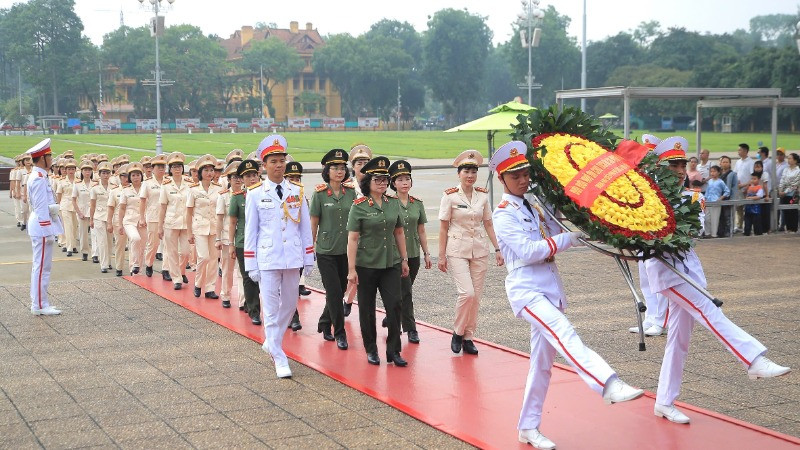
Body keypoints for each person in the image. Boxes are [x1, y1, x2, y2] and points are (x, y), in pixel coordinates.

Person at [489, 141, 644, 449]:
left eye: (525, 173)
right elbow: (529, 251)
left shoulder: (535, 204)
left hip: (548, 288)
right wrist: (568, 239)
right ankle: (607, 383)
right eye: (514, 175)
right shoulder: (503, 213)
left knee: (541, 364)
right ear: (501, 179)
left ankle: (528, 427)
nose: (522, 179)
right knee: (564, 332)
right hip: (526, 289)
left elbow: (559, 220)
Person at [645, 136, 790, 425]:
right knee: (709, 311)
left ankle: (664, 401)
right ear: (659, 169)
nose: (677, 170)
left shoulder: (692, 198)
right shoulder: (647, 201)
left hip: (689, 272)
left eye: (681, 164)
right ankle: (752, 359)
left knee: (678, 340)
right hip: (667, 274)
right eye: (671, 165)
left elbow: (693, 232)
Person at [244, 134, 315, 379]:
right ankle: (279, 355)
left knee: (290, 302)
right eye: (273, 161)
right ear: (264, 165)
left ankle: (271, 341)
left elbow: (304, 226)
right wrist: (250, 263)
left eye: (281, 160)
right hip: (268, 257)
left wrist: (309, 257)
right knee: (272, 308)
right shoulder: (254, 193)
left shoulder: (296, 190)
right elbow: (250, 231)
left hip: (292, 256)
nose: (278, 165)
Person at [346, 156, 410, 366]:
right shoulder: (359, 206)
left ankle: (394, 350)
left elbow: (399, 232)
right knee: (366, 308)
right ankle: (371, 349)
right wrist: (352, 269)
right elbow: (353, 238)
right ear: (368, 182)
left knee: (395, 305)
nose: (382, 183)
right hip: (366, 264)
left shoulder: (393, 204)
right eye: (378, 180)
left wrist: (404, 259)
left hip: (390, 263)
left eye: (385, 179)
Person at [438, 150, 503, 355]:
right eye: (466, 171)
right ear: (459, 173)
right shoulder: (449, 196)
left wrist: (498, 248)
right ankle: (457, 332)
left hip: (480, 249)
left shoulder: (482, 195)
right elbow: (443, 227)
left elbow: (489, 223)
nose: (470, 175)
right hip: (457, 249)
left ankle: (468, 337)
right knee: (467, 293)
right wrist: (440, 255)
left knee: (476, 297)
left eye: (474, 171)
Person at [310, 149, 356, 349]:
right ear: (327, 171)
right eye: (335, 168)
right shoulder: (319, 194)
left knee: (342, 289)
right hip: (326, 250)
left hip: (346, 250)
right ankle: (340, 332)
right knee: (334, 291)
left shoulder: (351, 193)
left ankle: (323, 320)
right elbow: (313, 222)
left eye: (342, 168)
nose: (339, 171)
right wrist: (309, 248)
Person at [388, 159, 432, 344]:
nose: (405, 183)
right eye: (400, 180)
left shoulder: (417, 203)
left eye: (407, 179)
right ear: (393, 183)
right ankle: (410, 328)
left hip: (413, 253)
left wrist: (427, 253)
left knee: (403, 291)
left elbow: (421, 229)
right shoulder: (389, 203)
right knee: (405, 292)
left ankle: (394, 319)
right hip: (396, 254)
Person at [25, 139, 65, 316]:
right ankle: (40, 305)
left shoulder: (39, 175)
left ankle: (40, 302)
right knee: (41, 268)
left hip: (41, 226)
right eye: (49, 156)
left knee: (41, 267)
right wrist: (48, 231)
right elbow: (41, 208)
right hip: (41, 227)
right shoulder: (39, 178)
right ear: (42, 159)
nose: (52, 159)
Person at [229, 159, 263, 325]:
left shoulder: (266, 193)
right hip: (243, 243)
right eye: (248, 176)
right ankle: (254, 311)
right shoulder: (237, 198)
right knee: (249, 277)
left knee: (267, 276)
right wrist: (231, 244)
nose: (252, 179)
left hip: (263, 241)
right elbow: (232, 222)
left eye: (254, 175)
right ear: (242, 179)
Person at [187, 154, 224, 299]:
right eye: (206, 170)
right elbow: (188, 212)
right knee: (203, 257)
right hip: (200, 227)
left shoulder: (219, 188)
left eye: (211, 170)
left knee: (214, 259)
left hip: (214, 227)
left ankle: (210, 288)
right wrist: (189, 232)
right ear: (200, 172)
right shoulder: (193, 190)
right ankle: (198, 283)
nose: (209, 173)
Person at [159, 152, 192, 289]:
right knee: (171, 252)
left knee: (185, 252)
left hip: (185, 223)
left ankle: (181, 271)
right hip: (171, 222)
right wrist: (160, 226)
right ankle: (176, 279)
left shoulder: (190, 184)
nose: (177, 169)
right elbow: (162, 207)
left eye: (179, 166)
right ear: (170, 169)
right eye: (174, 167)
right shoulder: (166, 185)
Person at [284, 160, 309, 331]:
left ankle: (292, 315)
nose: (295, 180)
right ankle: (289, 315)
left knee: (292, 286)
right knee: (280, 288)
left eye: (297, 177)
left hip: (296, 249)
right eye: (291, 177)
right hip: (278, 250)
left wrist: (308, 252)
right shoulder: (272, 195)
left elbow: (307, 228)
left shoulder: (302, 198)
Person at [215, 161, 240, 308]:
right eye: (234, 177)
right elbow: (219, 219)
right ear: (229, 179)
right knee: (227, 270)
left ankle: (244, 301)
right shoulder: (223, 196)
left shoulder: (248, 194)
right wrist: (218, 238)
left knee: (244, 272)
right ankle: (225, 295)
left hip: (243, 238)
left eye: (239, 177)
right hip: (226, 238)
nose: (237, 179)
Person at [138, 154, 167, 277]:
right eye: (158, 166)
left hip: (168, 217)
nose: (161, 169)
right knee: (153, 244)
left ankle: (166, 269)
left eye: (163, 166)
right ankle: (149, 263)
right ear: (153, 168)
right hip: (153, 216)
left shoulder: (168, 181)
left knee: (168, 245)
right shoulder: (147, 183)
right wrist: (141, 217)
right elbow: (143, 201)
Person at [117, 162, 147, 275]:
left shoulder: (146, 188)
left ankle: (136, 271)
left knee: (142, 246)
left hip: (143, 221)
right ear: (129, 177)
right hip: (129, 220)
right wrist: (120, 224)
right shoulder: (125, 190)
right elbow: (122, 209)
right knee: (135, 239)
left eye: (138, 175)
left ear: (141, 176)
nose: (136, 177)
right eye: (133, 175)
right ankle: (135, 263)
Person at [89, 162, 114, 273]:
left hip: (111, 217)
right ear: (99, 174)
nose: (105, 175)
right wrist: (91, 219)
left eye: (108, 173)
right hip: (98, 216)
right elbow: (92, 205)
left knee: (109, 241)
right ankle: (103, 264)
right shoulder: (95, 188)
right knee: (102, 241)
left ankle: (108, 262)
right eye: (103, 173)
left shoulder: (114, 187)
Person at [107, 164, 129, 276]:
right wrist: (109, 223)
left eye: (127, 176)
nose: (126, 178)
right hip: (118, 222)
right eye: (124, 176)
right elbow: (110, 209)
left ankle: (134, 268)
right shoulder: (114, 191)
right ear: (120, 177)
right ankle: (119, 267)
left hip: (133, 221)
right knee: (120, 246)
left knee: (136, 246)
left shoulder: (137, 189)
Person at [71, 160, 94, 261]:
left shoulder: (96, 184)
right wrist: (79, 212)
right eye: (85, 170)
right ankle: (85, 252)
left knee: (95, 234)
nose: (87, 172)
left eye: (89, 170)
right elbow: (73, 199)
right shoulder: (77, 185)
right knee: (83, 233)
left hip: (94, 212)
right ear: (82, 172)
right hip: (83, 212)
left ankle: (95, 254)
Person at [56, 158, 78, 256]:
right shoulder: (62, 181)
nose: (71, 171)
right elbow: (59, 195)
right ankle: (69, 247)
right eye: (69, 169)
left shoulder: (78, 181)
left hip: (76, 206)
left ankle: (73, 245)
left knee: (74, 227)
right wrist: (58, 206)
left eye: (72, 169)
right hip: (65, 205)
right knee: (68, 227)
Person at [703, 165, 730, 238]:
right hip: (708, 202)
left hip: (716, 202)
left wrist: (721, 198)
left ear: (718, 172)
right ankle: (707, 233)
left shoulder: (720, 182)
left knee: (715, 219)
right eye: (711, 171)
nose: (712, 173)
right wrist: (705, 199)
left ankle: (714, 234)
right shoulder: (709, 181)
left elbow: (727, 191)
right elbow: (707, 191)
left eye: (714, 171)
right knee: (706, 218)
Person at [733, 143, 754, 232]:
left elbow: (753, 177)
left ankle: (748, 226)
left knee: (748, 209)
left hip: (748, 189)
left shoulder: (751, 162)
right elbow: (735, 174)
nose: (738, 152)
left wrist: (746, 186)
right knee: (739, 208)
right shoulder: (738, 162)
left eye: (740, 150)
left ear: (745, 151)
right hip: (738, 189)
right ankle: (739, 226)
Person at [778, 152, 800, 233]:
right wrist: (780, 190)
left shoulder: (798, 171)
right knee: (785, 211)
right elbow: (782, 180)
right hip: (784, 193)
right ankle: (788, 227)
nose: (788, 160)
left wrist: (785, 192)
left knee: (793, 211)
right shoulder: (786, 169)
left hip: (793, 194)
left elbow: (795, 184)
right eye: (788, 158)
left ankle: (793, 228)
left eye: (790, 158)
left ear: (795, 160)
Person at [717, 156, 738, 237]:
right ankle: (721, 231)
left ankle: (728, 232)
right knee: (721, 216)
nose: (725, 164)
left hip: (728, 198)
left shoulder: (732, 174)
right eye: (723, 162)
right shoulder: (719, 174)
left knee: (728, 216)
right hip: (720, 198)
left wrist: (731, 198)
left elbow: (733, 187)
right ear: (720, 163)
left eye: (727, 162)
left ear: (730, 164)